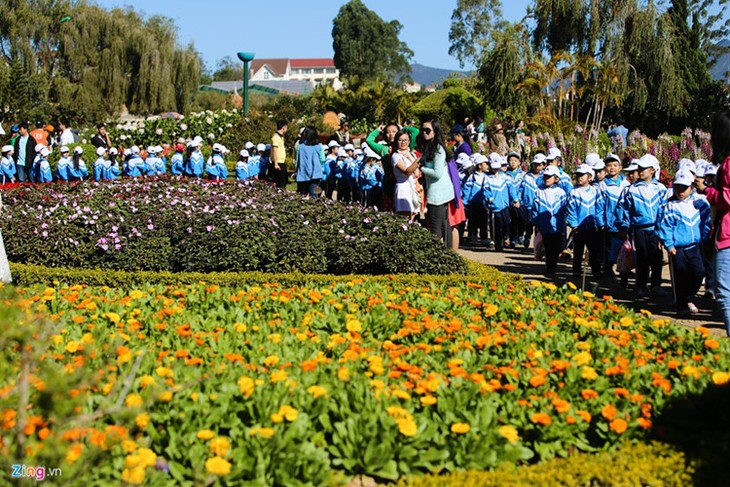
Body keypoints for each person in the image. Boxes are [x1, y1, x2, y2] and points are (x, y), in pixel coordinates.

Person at [657, 169, 712, 316]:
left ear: (692, 188)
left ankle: (688, 297)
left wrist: (706, 236)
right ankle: (681, 305)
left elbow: (707, 222)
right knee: (680, 276)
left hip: (695, 246)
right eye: (677, 187)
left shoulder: (700, 203)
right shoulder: (670, 206)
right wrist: (669, 244)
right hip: (678, 249)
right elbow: (665, 227)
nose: (680, 191)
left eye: (684, 188)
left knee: (699, 272)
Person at [619, 154, 667, 297]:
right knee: (641, 257)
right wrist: (624, 226)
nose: (640, 171)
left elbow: (665, 209)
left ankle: (656, 284)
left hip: (656, 229)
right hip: (639, 229)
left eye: (644, 168)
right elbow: (623, 209)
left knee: (657, 256)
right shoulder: (631, 190)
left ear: (652, 170)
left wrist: (663, 228)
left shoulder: (661, 188)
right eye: (639, 168)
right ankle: (641, 285)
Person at [704, 110, 730, 335]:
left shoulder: (729, 163)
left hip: (728, 235)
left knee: (724, 292)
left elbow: (727, 198)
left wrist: (708, 191)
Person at [418, 119, 455, 247]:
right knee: (443, 225)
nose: (424, 132)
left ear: (435, 131)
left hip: (438, 194)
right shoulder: (429, 146)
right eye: (422, 130)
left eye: (427, 130)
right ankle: (447, 255)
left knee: (436, 226)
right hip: (438, 191)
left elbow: (437, 173)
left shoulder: (438, 148)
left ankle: (441, 256)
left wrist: (421, 168)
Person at [566, 164, 605, 279]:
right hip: (578, 228)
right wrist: (574, 225)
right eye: (578, 175)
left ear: (589, 177)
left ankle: (596, 270)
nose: (579, 177)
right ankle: (576, 271)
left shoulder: (595, 191)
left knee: (593, 250)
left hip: (592, 227)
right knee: (578, 251)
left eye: (582, 175)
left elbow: (599, 208)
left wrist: (600, 223)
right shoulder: (574, 192)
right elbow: (571, 210)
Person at [531, 165, 567, 275]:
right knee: (547, 246)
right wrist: (536, 222)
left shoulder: (561, 192)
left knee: (555, 247)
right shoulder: (539, 191)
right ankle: (549, 266)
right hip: (544, 226)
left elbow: (564, 209)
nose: (547, 179)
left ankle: (553, 265)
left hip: (557, 225)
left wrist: (564, 223)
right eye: (545, 177)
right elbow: (535, 209)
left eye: (549, 177)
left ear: (556, 178)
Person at [484, 153, 517, 251]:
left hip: (505, 205)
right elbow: (486, 191)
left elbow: (511, 189)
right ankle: (498, 244)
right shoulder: (487, 178)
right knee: (497, 226)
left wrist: (515, 199)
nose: (495, 170)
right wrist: (490, 199)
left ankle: (504, 238)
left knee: (506, 223)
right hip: (495, 206)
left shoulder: (505, 177)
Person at [390, 129, 421, 220]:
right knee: (405, 217)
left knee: (413, 216)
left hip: (412, 187)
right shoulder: (395, 156)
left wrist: (411, 157)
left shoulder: (412, 155)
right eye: (400, 140)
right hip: (402, 188)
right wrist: (419, 160)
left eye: (405, 140)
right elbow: (407, 171)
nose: (403, 142)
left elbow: (416, 172)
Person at [520, 153, 547, 249]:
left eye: (539, 165)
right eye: (535, 164)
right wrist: (520, 200)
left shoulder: (545, 177)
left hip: (540, 206)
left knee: (538, 226)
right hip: (528, 205)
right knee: (529, 223)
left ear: (544, 165)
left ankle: (538, 244)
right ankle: (527, 237)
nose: (537, 167)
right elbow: (521, 189)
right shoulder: (527, 176)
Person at [462, 154, 489, 244]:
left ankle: (484, 238)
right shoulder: (472, 177)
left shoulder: (487, 177)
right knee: (473, 221)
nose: (487, 166)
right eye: (485, 164)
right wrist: (465, 201)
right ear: (479, 165)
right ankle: (473, 236)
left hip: (483, 203)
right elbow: (467, 189)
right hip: (473, 203)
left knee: (484, 222)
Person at [295, 126, 324, 198]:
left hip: (303, 174)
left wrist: (296, 171)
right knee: (315, 195)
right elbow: (322, 159)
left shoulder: (300, 147)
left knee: (302, 195)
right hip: (316, 175)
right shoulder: (319, 146)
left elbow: (297, 161)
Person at [271, 120, 288, 188]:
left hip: (282, 161)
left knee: (284, 181)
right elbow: (274, 150)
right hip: (278, 162)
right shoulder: (276, 137)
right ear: (283, 127)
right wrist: (276, 163)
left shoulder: (281, 137)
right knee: (280, 182)